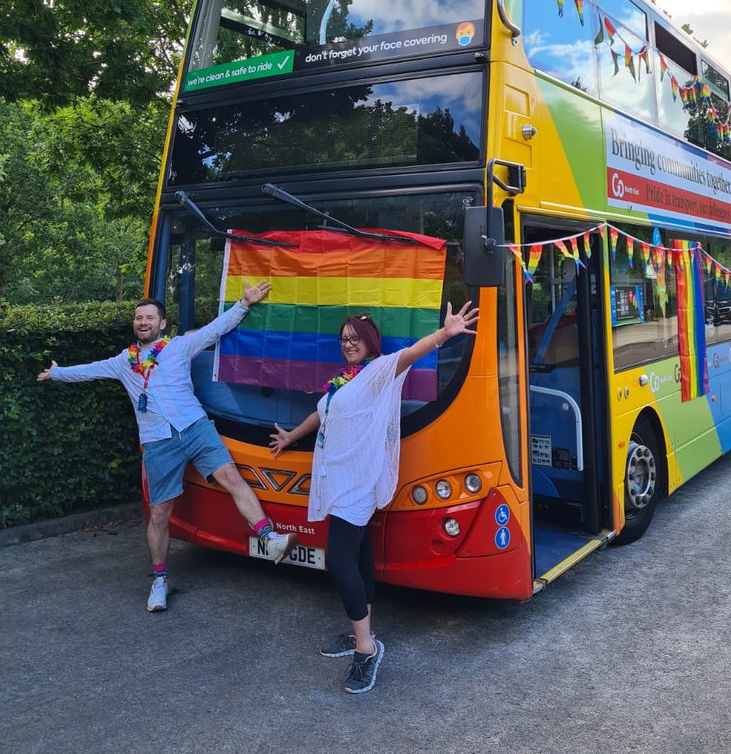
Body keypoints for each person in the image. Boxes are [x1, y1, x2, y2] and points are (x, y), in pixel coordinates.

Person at [37, 281, 296, 612]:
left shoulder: (179, 347)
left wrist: (244, 303)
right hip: (158, 441)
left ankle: (269, 540)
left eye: (149, 318)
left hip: (195, 427)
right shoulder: (123, 362)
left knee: (231, 477)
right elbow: (90, 371)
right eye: (138, 318)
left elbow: (216, 330)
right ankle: (159, 582)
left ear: (162, 324)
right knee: (160, 513)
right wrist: (58, 374)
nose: (142, 322)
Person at [269, 301, 478, 693]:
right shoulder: (345, 379)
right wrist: (293, 436)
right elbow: (325, 412)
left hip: (359, 480)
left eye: (355, 339)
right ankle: (361, 626)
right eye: (344, 339)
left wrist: (445, 334)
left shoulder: (379, 371)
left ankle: (366, 647)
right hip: (339, 477)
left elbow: (412, 354)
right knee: (360, 552)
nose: (348, 344)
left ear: (369, 342)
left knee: (338, 559)